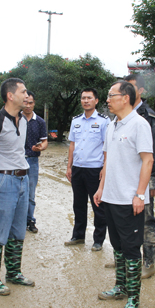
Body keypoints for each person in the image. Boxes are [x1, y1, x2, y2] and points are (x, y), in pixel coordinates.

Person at [94, 81, 153, 308]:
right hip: (111, 197)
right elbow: (108, 160)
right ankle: (120, 287)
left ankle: (133, 298)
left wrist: (140, 194)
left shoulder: (140, 124)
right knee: (117, 247)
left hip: (130, 200)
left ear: (126, 98)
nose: (107, 100)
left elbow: (147, 161)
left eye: (111, 95)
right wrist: (101, 188)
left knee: (131, 249)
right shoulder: (112, 125)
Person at [0, 78, 35, 296]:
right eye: (23, 92)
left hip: (23, 179)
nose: (27, 96)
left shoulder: (23, 120)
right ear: (10, 96)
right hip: (4, 181)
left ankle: (13, 273)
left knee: (18, 230)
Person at [124, 74, 155, 278]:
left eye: (130, 88)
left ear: (140, 91)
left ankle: (148, 262)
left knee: (147, 221)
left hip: (144, 178)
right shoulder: (121, 116)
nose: (126, 92)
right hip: (125, 178)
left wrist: (154, 179)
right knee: (125, 219)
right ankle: (128, 258)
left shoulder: (148, 116)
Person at [65, 88, 110, 251]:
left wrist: (105, 169)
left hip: (95, 170)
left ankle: (98, 240)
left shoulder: (104, 121)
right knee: (78, 204)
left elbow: (107, 147)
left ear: (96, 100)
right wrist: (69, 166)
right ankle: (78, 236)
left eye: (89, 98)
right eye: (83, 98)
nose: (85, 101)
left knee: (98, 205)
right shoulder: (75, 121)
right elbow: (72, 145)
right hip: (77, 169)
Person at [23, 91, 48, 233]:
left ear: (34, 103)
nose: (28, 105)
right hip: (16, 161)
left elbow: (45, 142)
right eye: (25, 102)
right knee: (16, 192)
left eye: (30, 102)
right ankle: (18, 221)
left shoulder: (39, 122)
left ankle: (30, 220)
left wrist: (41, 147)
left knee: (30, 193)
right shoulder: (15, 119)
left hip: (32, 161)